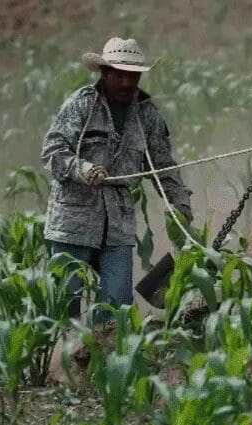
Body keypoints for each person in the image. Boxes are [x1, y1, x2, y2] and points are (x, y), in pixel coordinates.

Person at [40, 37, 193, 331]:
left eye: (132, 76)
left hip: (118, 221)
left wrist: (179, 202)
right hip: (73, 219)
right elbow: (53, 151)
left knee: (117, 305)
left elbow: (162, 165)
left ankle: (104, 365)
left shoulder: (146, 113)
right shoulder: (81, 104)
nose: (126, 82)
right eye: (120, 75)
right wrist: (81, 168)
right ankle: (58, 364)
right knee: (64, 299)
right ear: (105, 73)